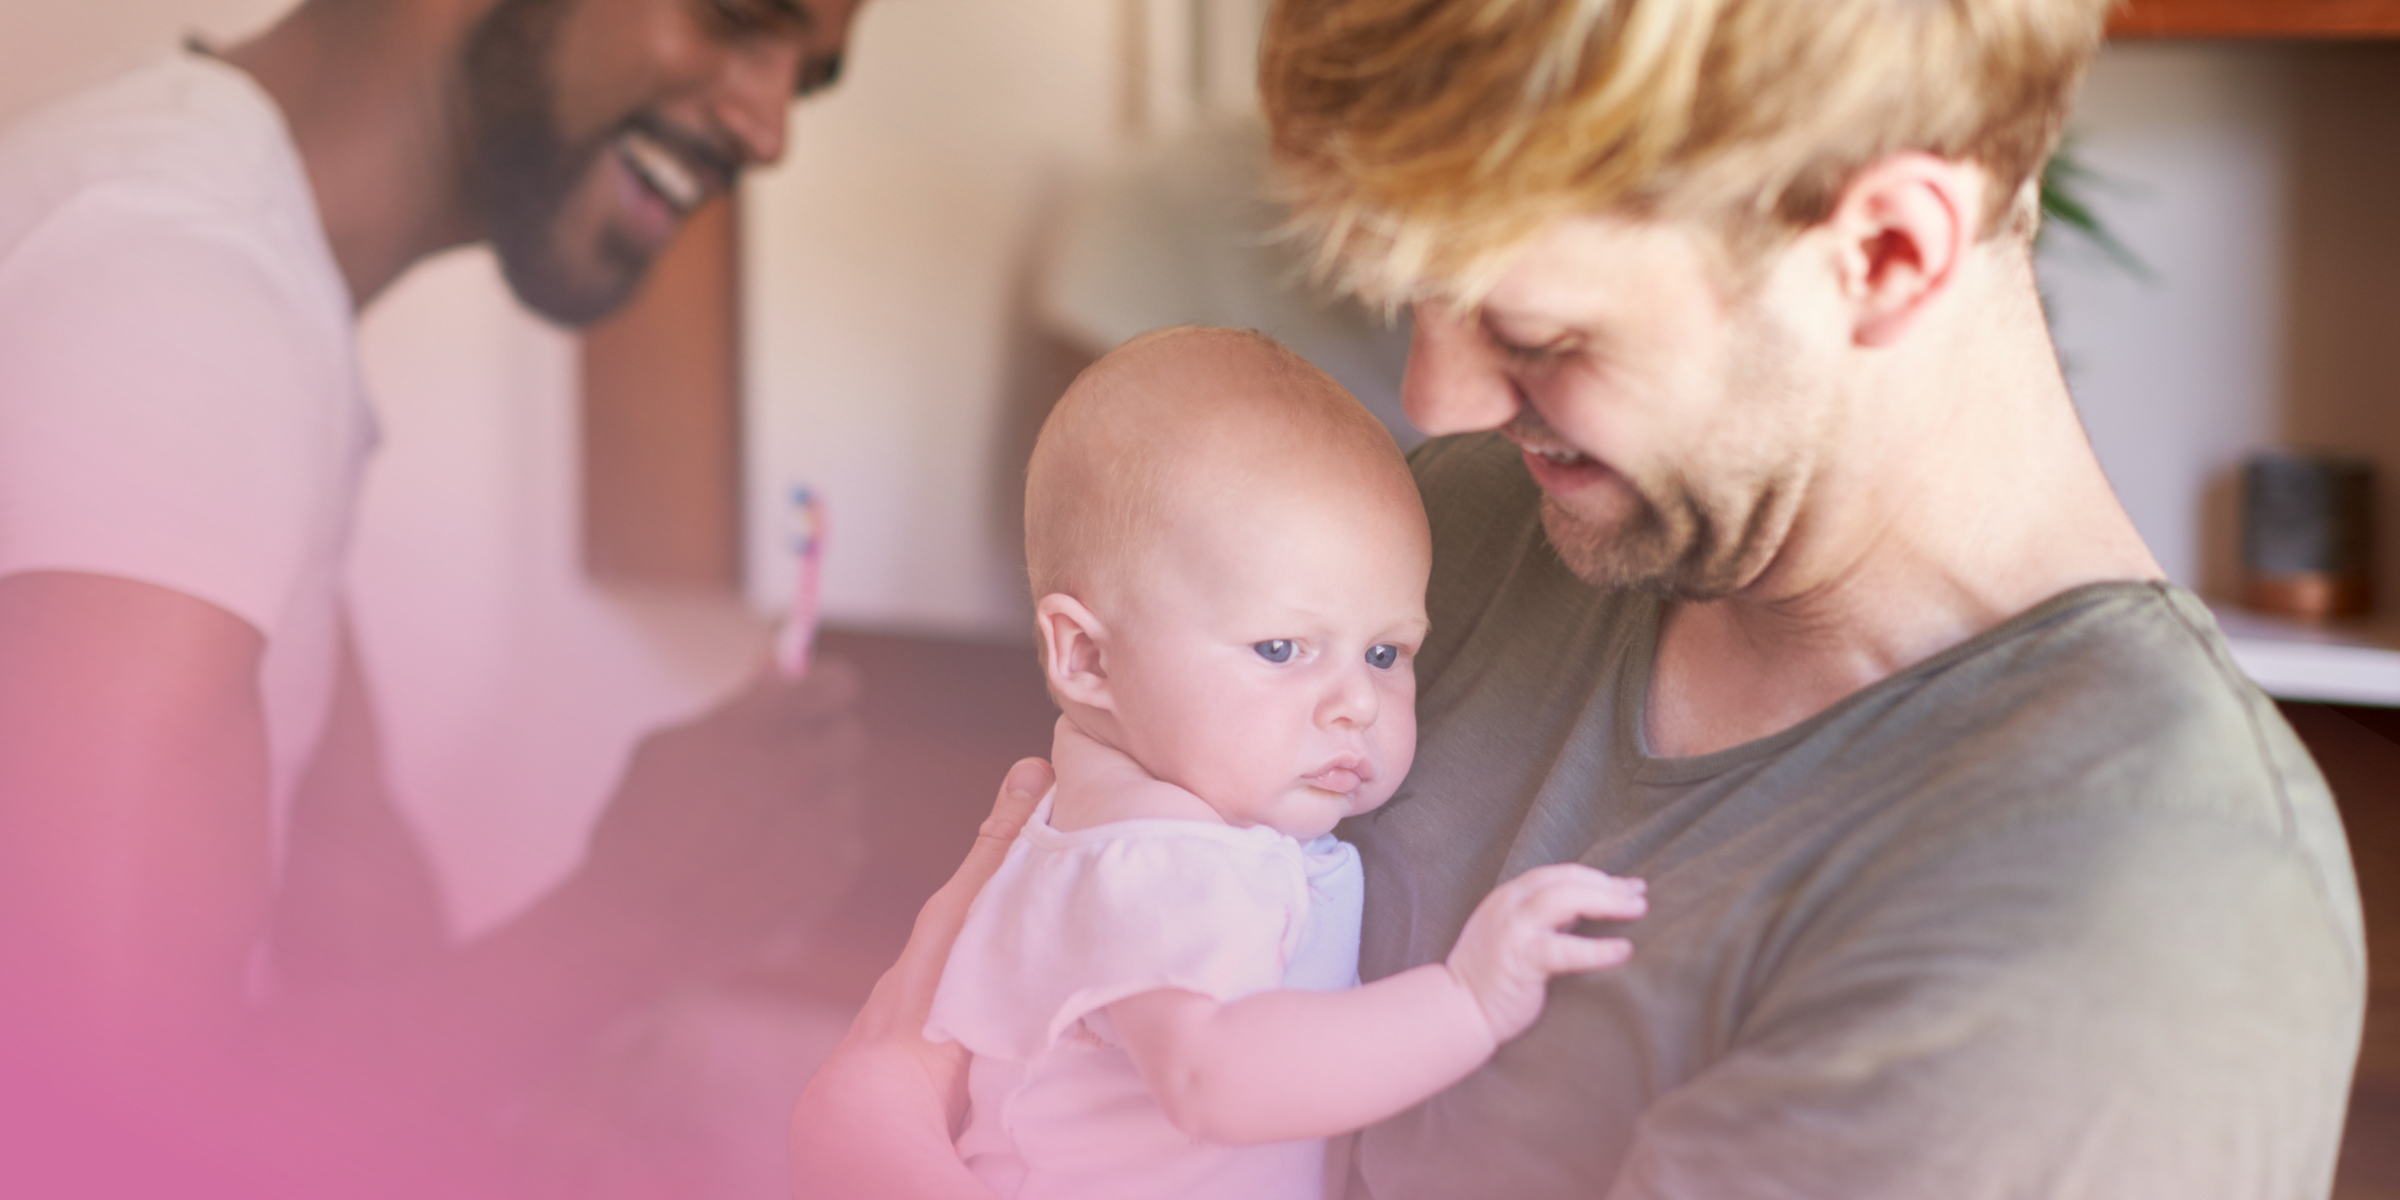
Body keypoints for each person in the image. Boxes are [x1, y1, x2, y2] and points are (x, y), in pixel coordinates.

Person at [791, 0, 2366, 1195]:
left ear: (1884, 251)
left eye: (1536, 331)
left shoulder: (2128, 917)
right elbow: (997, 991)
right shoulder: (1454, 546)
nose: (1437, 396)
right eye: (1411, 294)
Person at [0, 0, 867, 1192]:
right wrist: (628, 921)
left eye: (805, 81)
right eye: (736, 18)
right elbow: (105, 1132)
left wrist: (534, 1094)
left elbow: (351, 907)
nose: (770, 129)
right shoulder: (179, 283)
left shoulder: (238, 274)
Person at [922, 326, 1647, 1198]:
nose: (1356, 702)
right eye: (1280, 648)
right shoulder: (1157, 858)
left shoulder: (1158, 827)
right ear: (1089, 660)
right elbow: (1209, 1080)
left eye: (1386, 654)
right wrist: (1466, 1002)